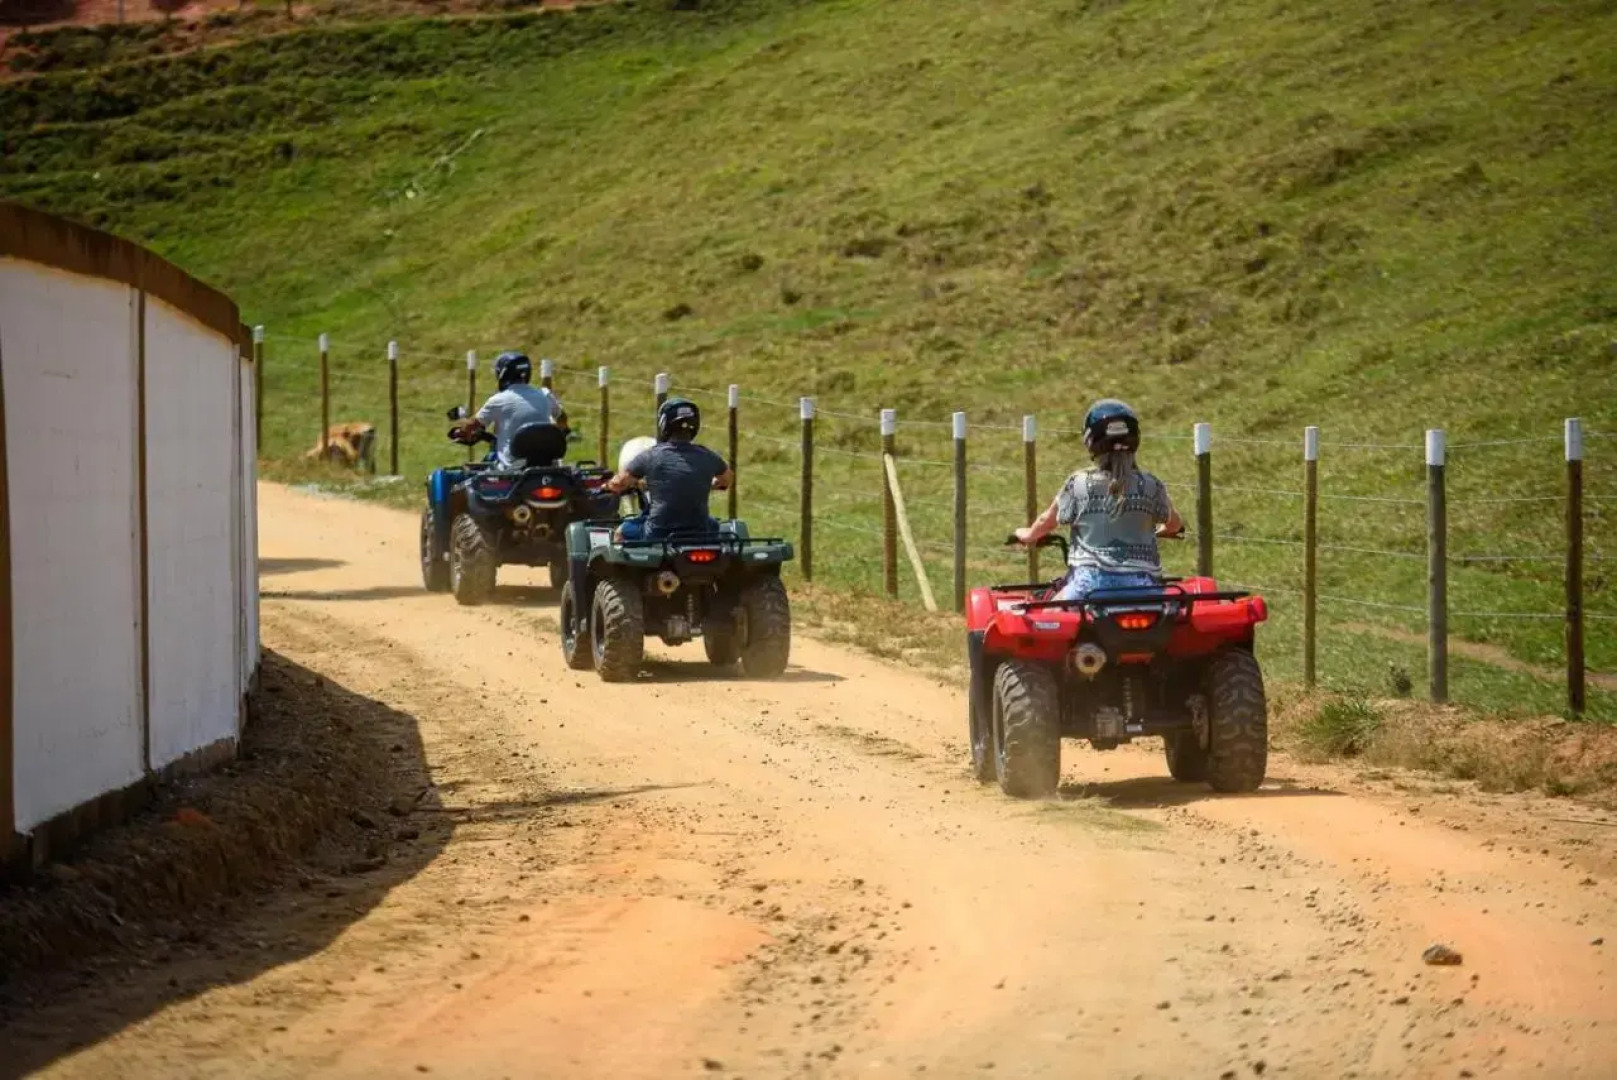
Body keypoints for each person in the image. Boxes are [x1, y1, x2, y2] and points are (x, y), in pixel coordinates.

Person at [1014, 398, 1183, 602]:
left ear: (1090, 442)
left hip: (1089, 587)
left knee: (1048, 617)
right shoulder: (1151, 485)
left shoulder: (1079, 483)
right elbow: (1174, 524)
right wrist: (1166, 530)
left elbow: (1047, 521)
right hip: (1145, 589)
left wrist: (1028, 535)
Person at [606, 397, 733, 540]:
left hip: (658, 532)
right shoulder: (709, 456)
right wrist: (712, 485)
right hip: (700, 531)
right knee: (716, 525)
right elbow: (727, 480)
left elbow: (619, 483)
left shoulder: (650, 455)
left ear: (664, 424)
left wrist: (608, 486)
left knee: (620, 533)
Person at [451, 351, 569, 468]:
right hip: (548, 465)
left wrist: (461, 432)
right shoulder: (545, 394)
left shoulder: (498, 400)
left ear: (502, 374)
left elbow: (473, 424)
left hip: (512, 468)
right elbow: (562, 418)